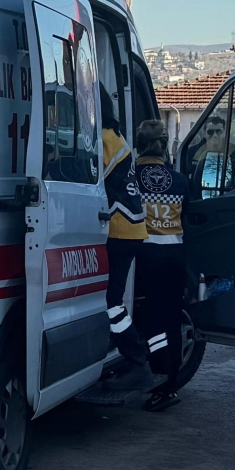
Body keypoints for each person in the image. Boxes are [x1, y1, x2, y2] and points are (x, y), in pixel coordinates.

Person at [133, 119, 186, 412]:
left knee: (148, 322)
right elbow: (192, 220)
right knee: (171, 322)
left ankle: (148, 375)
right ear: (164, 146)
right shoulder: (179, 181)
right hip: (174, 259)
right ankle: (169, 385)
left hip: (142, 259)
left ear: (138, 145)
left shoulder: (130, 178)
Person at [101, 95, 148, 365]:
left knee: (111, 301)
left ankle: (135, 354)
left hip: (120, 228)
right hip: (130, 228)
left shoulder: (103, 139)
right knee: (112, 297)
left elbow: (88, 173)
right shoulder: (115, 136)